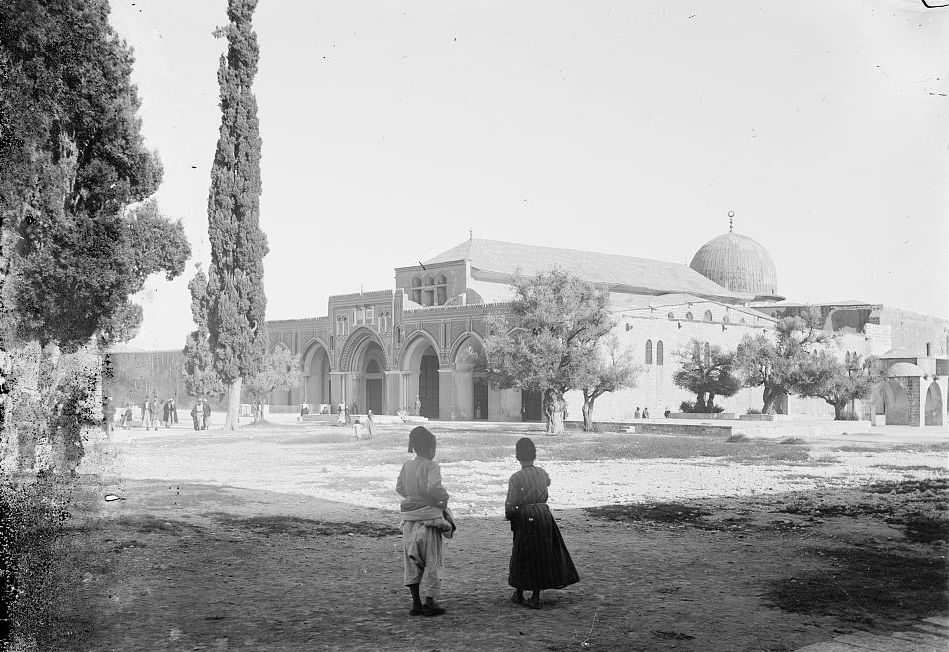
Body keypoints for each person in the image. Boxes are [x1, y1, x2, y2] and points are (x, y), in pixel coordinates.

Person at [505, 437, 579, 609]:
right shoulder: (542, 473)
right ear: (534, 455)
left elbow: (511, 503)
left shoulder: (516, 478)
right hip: (544, 515)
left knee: (522, 553)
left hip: (525, 516)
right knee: (541, 553)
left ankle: (520, 592)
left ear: (517, 457)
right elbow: (548, 482)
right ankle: (535, 595)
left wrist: (511, 516)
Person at [395, 426, 455, 617]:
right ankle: (430, 601)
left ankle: (415, 603)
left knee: (411, 561)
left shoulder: (406, 466)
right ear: (431, 449)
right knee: (432, 561)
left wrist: (413, 497)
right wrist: (441, 498)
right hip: (429, 520)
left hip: (410, 521)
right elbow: (433, 488)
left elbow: (400, 488)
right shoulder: (432, 466)